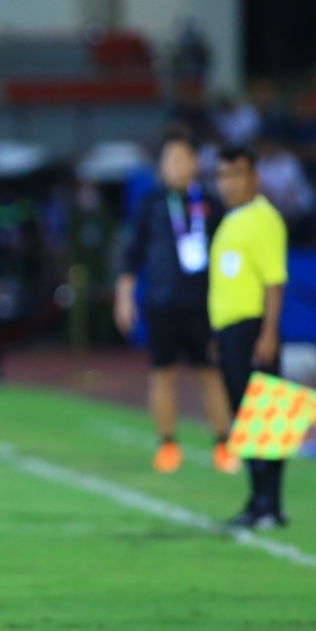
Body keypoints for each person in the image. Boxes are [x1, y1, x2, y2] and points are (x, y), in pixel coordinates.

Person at [114, 133, 235, 474]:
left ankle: (224, 443)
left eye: (180, 159)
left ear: (194, 163)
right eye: (168, 161)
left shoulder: (212, 204)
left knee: (210, 373)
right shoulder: (151, 204)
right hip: (161, 303)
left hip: (204, 304)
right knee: (162, 374)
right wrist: (125, 298)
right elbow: (131, 256)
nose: (173, 167)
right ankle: (167, 443)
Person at [211, 145, 290, 528]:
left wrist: (268, 333)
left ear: (254, 178)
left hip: (252, 328)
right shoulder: (231, 219)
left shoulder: (263, 218)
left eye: (236, 174)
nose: (228, 183)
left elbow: (274, 281)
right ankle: (257, 500)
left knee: (265, 418)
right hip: (229, 330)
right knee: (244, 420)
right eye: (222, 175)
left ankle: (270, 504)